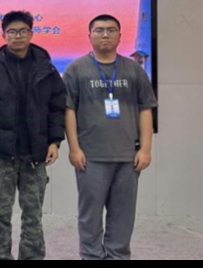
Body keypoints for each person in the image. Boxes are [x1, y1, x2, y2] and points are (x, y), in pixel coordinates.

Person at [0, 10, 66, 260]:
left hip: (36, 153)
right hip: (2, 153)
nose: (17, 36)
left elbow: (56, 107)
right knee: (0, 213)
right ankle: (0, 256)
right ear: (3, 35)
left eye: (23, 31)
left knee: (33, 214)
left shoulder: (46, 68)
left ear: (31, 34)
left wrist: (55, 141)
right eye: (12, 32)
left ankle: (32, 256)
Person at [64, 14, 157, 260]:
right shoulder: (76, 69)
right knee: (90, 215)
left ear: (119, 36)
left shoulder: (134, 70)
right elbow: (69, 110)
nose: (105, 34)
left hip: (128, 156)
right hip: (90, 156)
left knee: (123, 216)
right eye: (99, 30)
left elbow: (145, 109)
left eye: (111, 30)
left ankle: (118, 256)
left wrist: (145, 149)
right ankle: (91, 256)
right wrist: (74, 148)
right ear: (90, 36)